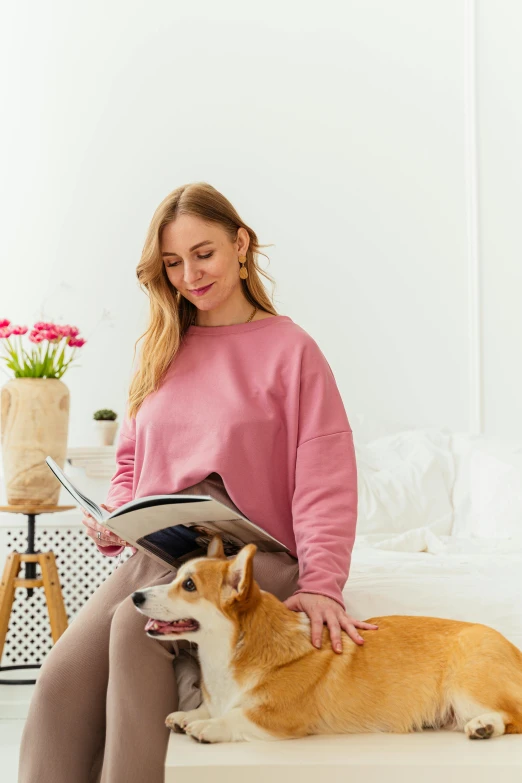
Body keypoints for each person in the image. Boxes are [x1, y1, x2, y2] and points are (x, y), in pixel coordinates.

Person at [18, 182, 377, 783]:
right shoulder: (162, 349)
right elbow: (131, 464)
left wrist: (323, 584)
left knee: (138, 627)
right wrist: (110, 516)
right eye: (173, 263)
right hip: (159, 552)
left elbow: (324, 479)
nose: (189, 274)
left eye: (203, 253)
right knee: (58, 685)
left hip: (248, 562)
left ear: (241, 244)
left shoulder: (292, 351)